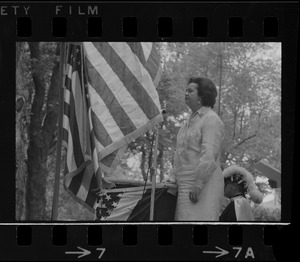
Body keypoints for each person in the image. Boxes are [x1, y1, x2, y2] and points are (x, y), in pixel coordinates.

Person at [171, 77, 225, 221]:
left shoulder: (211, 119)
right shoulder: (186, 124)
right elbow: (179, 155)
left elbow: (209, 155)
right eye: (185, 90)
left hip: (202, 186)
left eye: (190, 91)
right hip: (183, 186)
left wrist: (198, 184)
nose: (186, 93)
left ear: (201, 96)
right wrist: (172, 178)